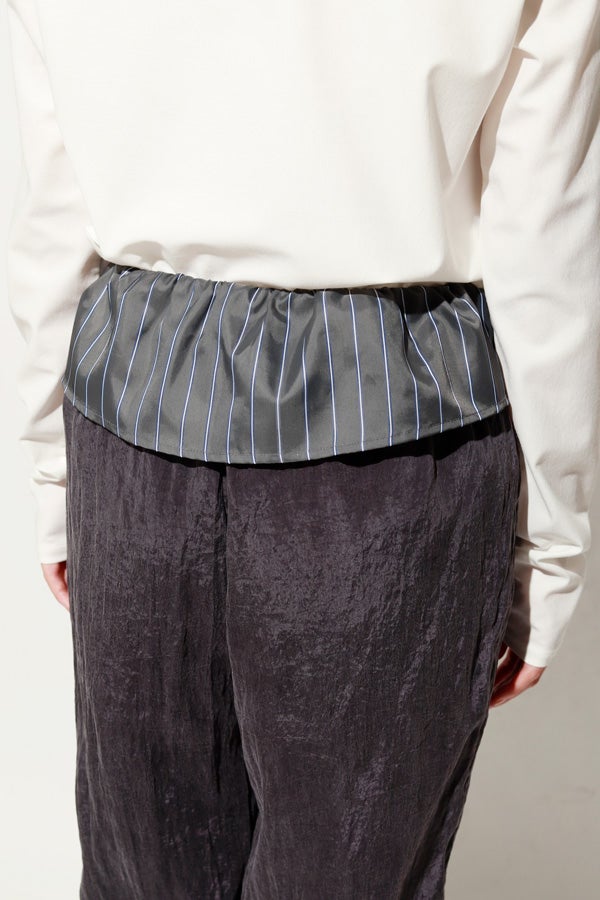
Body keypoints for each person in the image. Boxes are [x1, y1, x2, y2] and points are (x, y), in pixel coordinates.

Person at [5, 0, 599, 897]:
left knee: (144, 871)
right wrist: (550, 548)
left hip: (134, 430)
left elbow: (51, 206)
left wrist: (55, 476)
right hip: (392, 442)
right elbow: (545, 240)